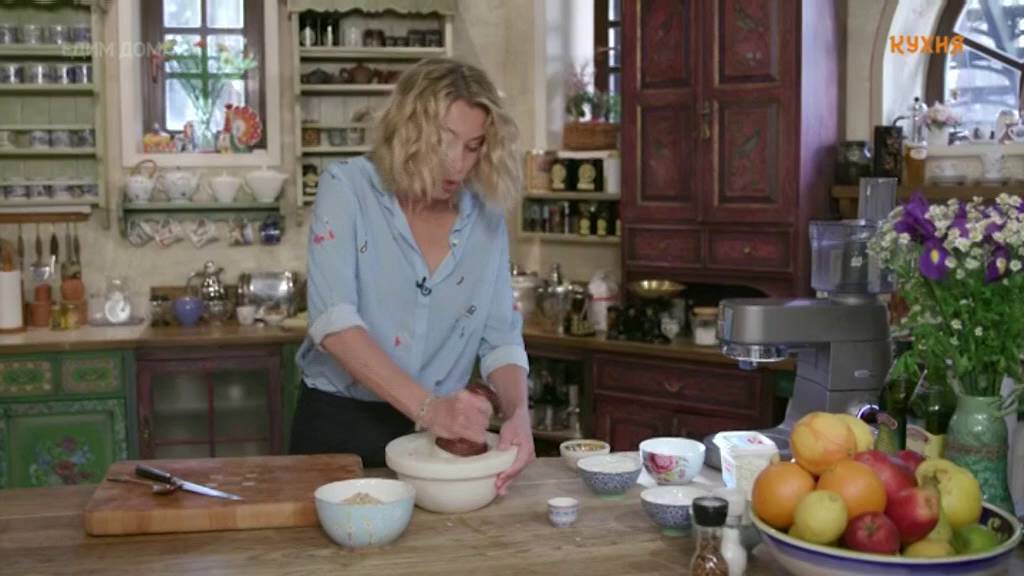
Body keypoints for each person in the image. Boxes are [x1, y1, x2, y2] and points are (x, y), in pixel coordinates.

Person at [291, 58, 534, 494]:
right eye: (444, 141)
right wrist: (429, 409)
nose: (457, 165)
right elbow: (334, 324)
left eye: (473, 146)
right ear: (408, 131)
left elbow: (500, 337)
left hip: (436, 442)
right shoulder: (347, 188)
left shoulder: (486, 218)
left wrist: (519, 414)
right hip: (340, 426)